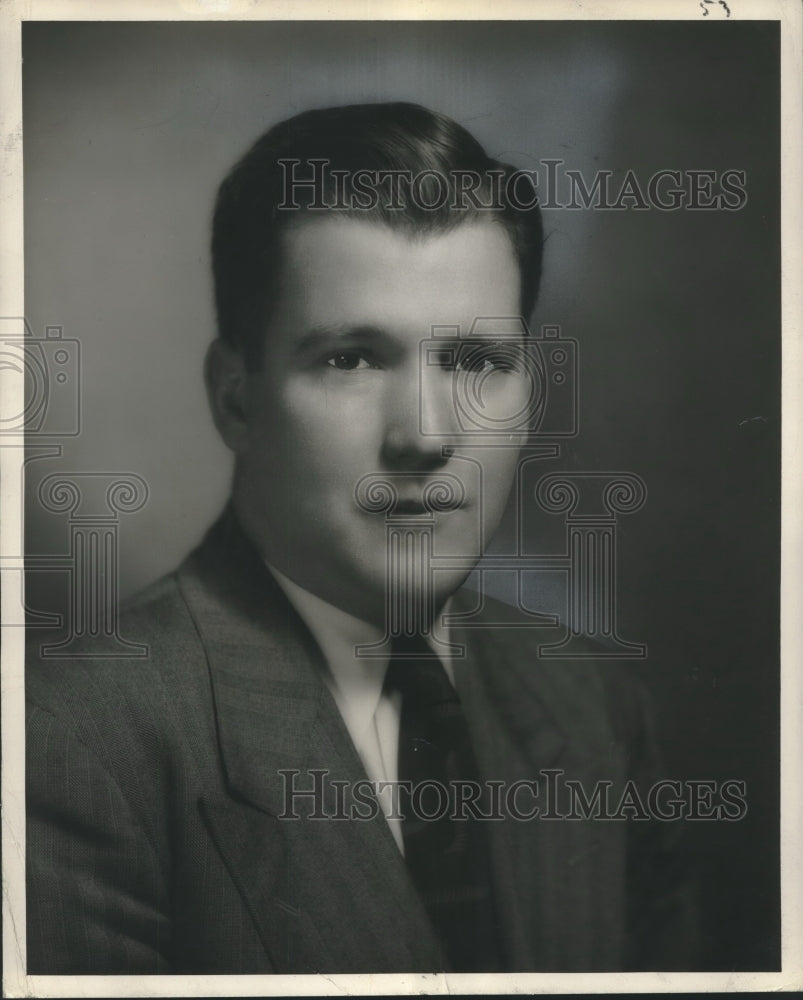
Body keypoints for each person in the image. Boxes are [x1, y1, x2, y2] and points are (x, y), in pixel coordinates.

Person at [26, 102, 696, 975]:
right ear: (237, 398)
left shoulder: (595, 708)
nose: (422, 435)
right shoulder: (70, 745)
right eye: (350, 358)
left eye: (473, 361)